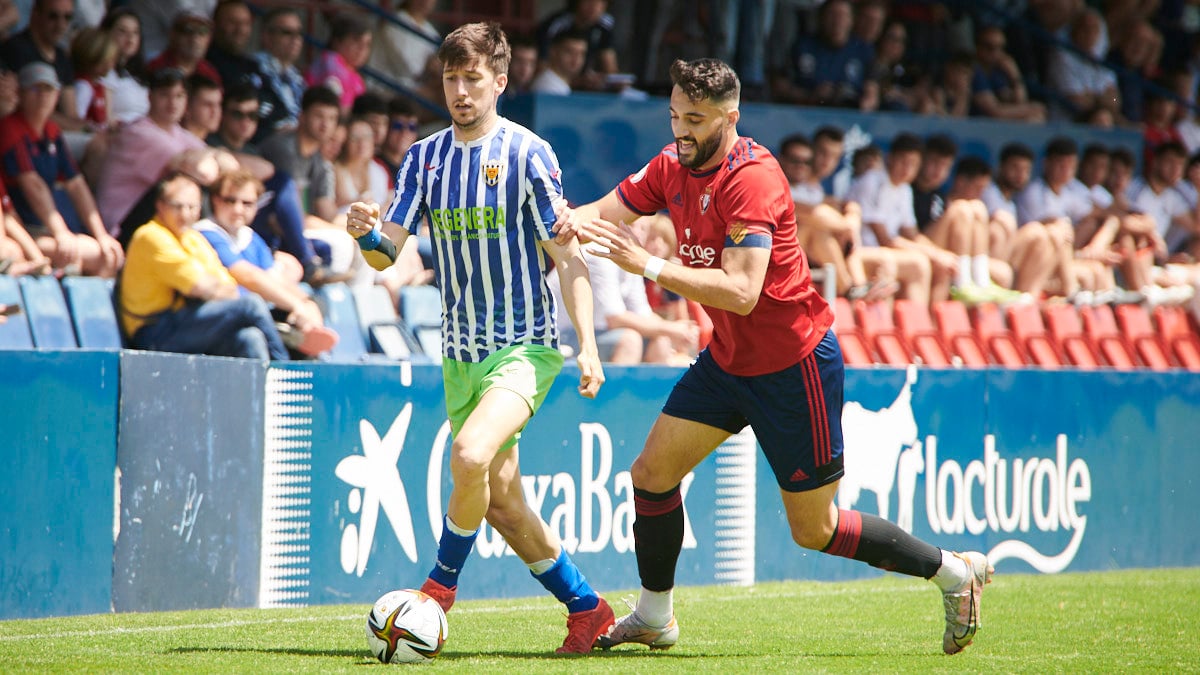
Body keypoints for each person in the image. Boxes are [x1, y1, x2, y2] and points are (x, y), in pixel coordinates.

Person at [560, 57, 992, 655]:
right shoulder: (670, 163)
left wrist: (648, 265)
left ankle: (951, 571)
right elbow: (600, 214)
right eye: (674, 116)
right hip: (728, 362)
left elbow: (741, 292)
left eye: (695, 119)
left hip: (795, 367)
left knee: (812, 529)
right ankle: (655, 616)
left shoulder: (752, 178)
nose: (681, 130)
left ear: (729, 118)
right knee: (652, 474)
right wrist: (550, 221)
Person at [343, 21, 615, 654]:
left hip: (525, 344)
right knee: (501, 501)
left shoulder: (528, 153)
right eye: (451, 78)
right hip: (459, 352)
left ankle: (438, 591)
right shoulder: (424, 158)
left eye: (473, 79)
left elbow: (568, 256)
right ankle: (589, 608)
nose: (460, 91)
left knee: (467, 457)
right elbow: (389, 254)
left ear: (500, 81)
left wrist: (589, 344)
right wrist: (364, 234)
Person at [119, 171, 289, 361]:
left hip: (187, 321)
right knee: (251, 304)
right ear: (160, 205)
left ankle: (266, 389)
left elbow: (229, 288)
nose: (185, 214)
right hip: (153, 331)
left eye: (192, 207)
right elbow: (198, 286)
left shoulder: (192, 238)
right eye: (177, 206)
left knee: (250, 337)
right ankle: (285, 369)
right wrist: (209, 287)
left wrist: (211, 288)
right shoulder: (150, 236)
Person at [193, 169, 338, 356]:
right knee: (256, 328)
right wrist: (296, 305)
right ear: (215, 200)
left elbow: (274, 278)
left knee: (314, 301)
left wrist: (306, 303)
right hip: (220, 316)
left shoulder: (251, 237)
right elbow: (248, 276)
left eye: (247, 203)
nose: (238, 209)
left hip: (258, 314)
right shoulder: (206, 233)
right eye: (230, 200)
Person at [0, 62, 122, 276]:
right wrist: (61, 233)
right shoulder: (10, 128)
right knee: (93, 254)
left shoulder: (52, 131)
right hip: (25, 231)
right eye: (35, 89)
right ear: (20, 93)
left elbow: (76, 184)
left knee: (109, 251)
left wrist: (101, 233)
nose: (42, 97)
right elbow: (33, 186)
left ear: (57, 94)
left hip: (44, 229)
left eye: (48, 89)